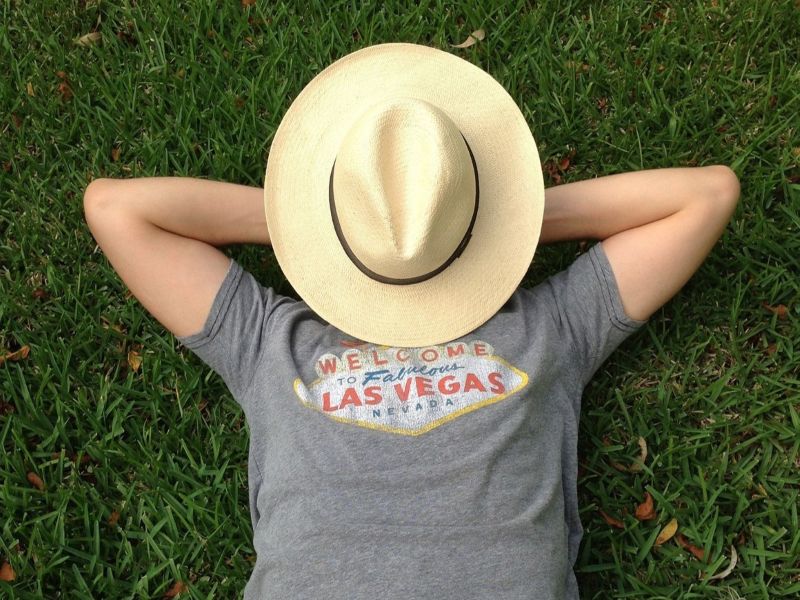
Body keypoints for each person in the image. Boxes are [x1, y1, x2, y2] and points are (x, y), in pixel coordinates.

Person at [82, 43, 740, 599]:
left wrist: (462, 226)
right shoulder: (271, 341)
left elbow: (706, 196)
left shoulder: (549, 327)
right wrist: (358, 227)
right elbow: (115, 209)